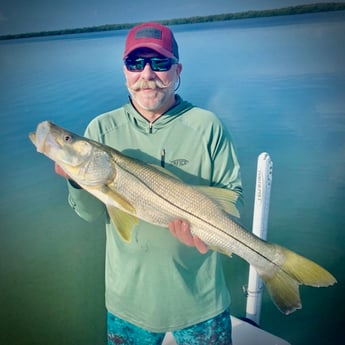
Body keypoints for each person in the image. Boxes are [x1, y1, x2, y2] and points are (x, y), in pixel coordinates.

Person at [55, 22, 242, 345]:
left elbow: (232, 199)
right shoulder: (100, 130)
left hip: (201, 300)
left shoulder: (207, 125)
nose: (147, 74)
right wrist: (75, 180)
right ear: (124, 71)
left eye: (160, 63)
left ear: (177, 69)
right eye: (135, 63)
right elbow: (88, 213)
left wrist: (207, 235)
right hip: (129, 303)